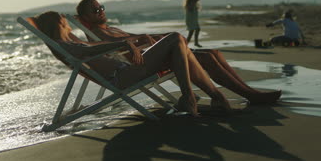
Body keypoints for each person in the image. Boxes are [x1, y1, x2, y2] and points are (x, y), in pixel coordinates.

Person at [75, 0, 282, 105]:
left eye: (101, 6)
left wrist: (153, 37)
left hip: (150, 56)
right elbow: (121, 46)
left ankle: (250, 92)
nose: (101, 11)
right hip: (141, 65)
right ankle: (248, 96)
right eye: (95, 10)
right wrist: (140, 39)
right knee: (204, 57)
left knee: (212, 54)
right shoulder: (97, 33)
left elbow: (134, 40)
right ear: (87, 18)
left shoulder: (109, 28)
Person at [34, 11, 233, 117]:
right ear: (59, 23)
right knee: (175, 38)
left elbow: (99, 45)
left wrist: (130, 42)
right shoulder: (64, 45)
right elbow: (90, 51)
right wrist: (124, 43)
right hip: (124, 76)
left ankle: (213, 98)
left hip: (129, 71)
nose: (66, 21)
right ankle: (194, 98)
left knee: (179, 46)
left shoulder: (71, 42)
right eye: (63, 18)